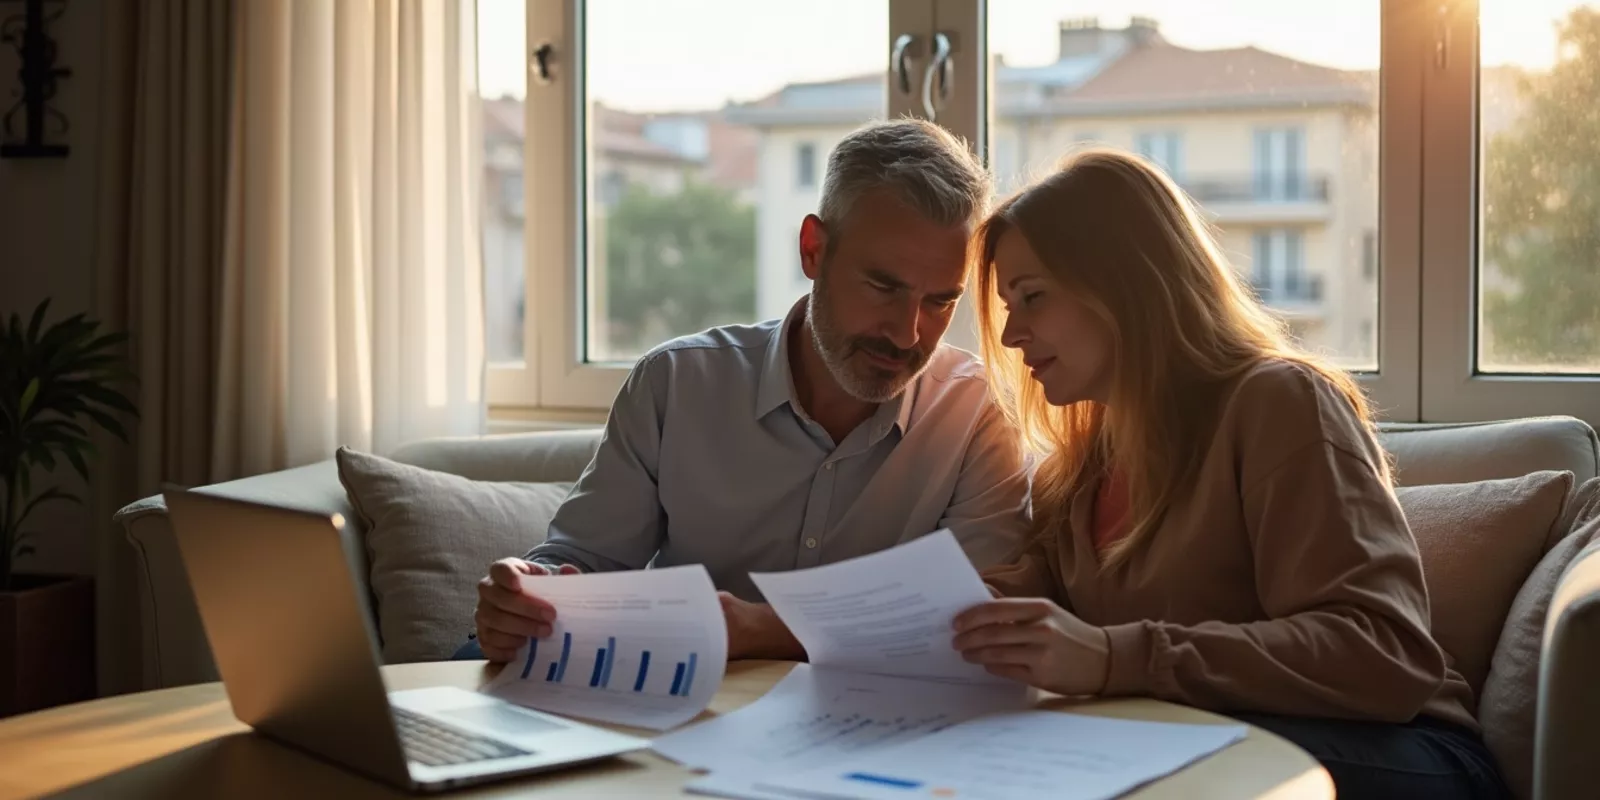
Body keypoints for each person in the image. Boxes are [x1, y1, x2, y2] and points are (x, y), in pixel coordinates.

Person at [948, 149, 1508, 799]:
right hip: (1202, 742)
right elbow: (1032, 597)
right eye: (1009, 306)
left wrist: (1114, 658)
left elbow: (1382, 652)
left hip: (1397, 751)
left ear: (1127, 284)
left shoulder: (1279, 404)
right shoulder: (1076, 470)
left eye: (1033, 298)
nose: (1012, 335)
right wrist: (949, 617)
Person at [466, 119, 1031, 664]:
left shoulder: (979, 414)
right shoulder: (676, 384)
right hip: (687, 708)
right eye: (883, 286)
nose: (908, 333)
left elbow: (977, 616)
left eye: (940, 301)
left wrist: (765, 630)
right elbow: (584, 563)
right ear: (813, 250)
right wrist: (530, 595)